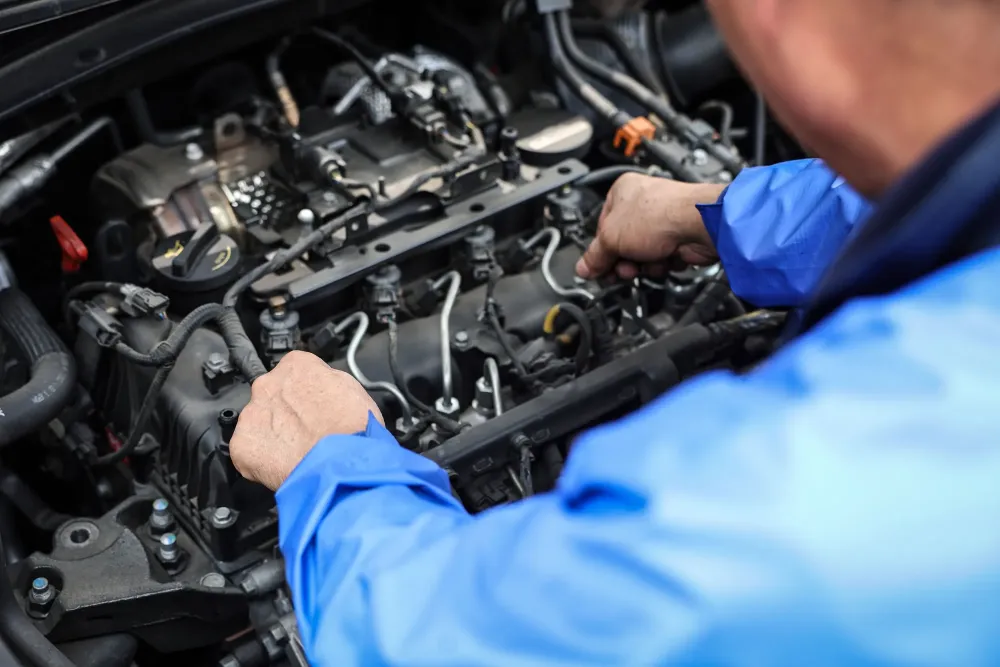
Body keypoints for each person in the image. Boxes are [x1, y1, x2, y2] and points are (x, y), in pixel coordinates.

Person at [230, 0, 1000, 664]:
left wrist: (333, 473)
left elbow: (440, 641)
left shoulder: (810, 509)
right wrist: (728, 217)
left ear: (785, 22)